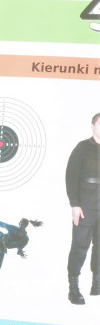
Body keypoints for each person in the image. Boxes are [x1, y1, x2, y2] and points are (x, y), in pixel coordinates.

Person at [65, 112, 100, 304]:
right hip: (86, 206)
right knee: (79, 246)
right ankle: (73, 288)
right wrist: (75, 204)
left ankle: (97, 284)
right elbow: (71, 177)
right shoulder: (82, 148)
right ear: (93, 126)